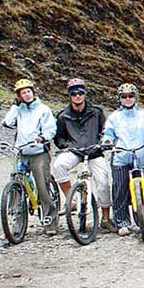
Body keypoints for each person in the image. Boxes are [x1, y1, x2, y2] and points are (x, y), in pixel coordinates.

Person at [52, 78, 115, 232]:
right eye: (74, 93)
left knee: (103, 182)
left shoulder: (97, 112)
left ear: (85, 94)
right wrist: (66, 146)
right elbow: (58, 137)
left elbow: (105, 131)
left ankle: (106, 218)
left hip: (94, 151)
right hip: (75, 151)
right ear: (69, 95)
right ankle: (71, 199)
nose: (77, 96)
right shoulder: (63, 116)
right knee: (58, 165)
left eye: (80, 93)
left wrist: (105, 142)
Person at [101, 83, 144, 236]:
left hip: (140, 155)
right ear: (120, 99)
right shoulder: (114, 117)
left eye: (130, 96)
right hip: (121, 155)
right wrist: (107, 141)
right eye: (124, 96)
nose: (127, 99)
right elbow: (108, 133)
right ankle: (122, 222)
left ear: (135, 97)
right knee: (120, 189)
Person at [2, 79, 58, 234]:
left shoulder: (43, 109)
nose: (26, 95)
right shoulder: (18, 110)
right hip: (22, 152)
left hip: (39, 152)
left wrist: (43, 138)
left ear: (33, 92)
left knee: (42, 186)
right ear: (19, 96)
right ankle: (17, 225)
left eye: (28, 91)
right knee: (17, 186)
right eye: (22, 93)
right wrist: (14, 106)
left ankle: (50, 222)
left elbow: (50, 129)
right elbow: (7, 122)